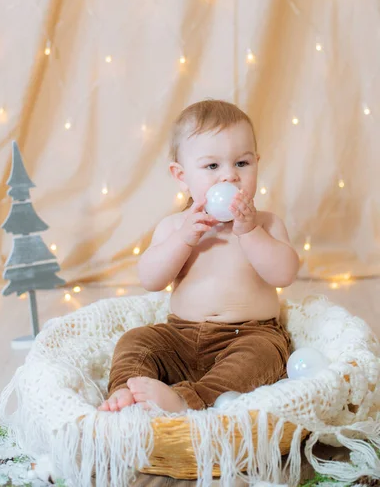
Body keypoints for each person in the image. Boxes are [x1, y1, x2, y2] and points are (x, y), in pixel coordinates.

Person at [98, 99, 299, 413]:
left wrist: (249, 233)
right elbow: (151, 280)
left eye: (242, 164)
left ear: (257, 163)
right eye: (212, 166)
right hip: (179, 336)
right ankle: (128, 390)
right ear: (181, 175)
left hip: (248, 334)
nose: (229, 177)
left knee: (264, 356)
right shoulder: (175, 226)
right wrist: (183, 240)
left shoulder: (266, 223)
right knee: (136, 340)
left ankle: (188, 400)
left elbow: (283, 275)